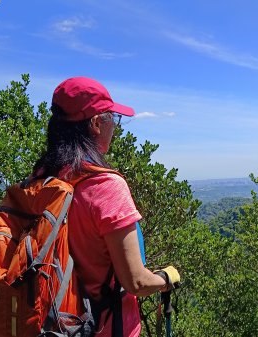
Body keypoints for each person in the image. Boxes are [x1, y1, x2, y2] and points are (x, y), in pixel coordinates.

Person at [32, 76, 180, 337]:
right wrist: (166, 278)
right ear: (97, 124)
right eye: (114, 118)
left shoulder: (41, 179)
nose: (116, 126)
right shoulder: (105, 186)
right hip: (103, 328)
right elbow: (136, 281)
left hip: (51, 325)